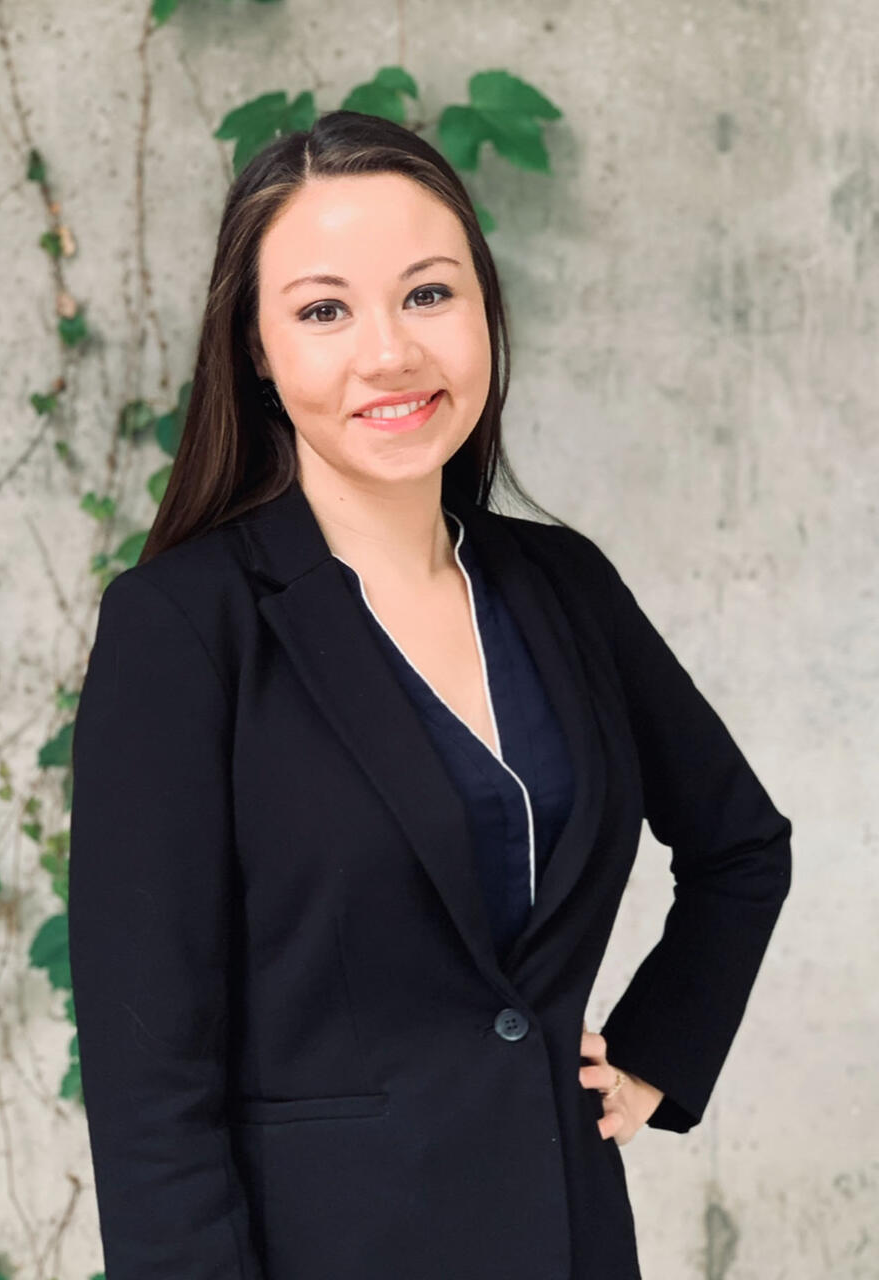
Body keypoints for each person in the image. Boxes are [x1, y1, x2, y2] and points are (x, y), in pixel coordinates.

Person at [68, 109, 792, 1280]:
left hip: (567, 1239)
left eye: (427, 294)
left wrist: (664, 1046)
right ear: (256, 348)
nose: (390, 353)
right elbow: (152, 1091)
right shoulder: (182, 629)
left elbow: (742, 844)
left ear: (482, 310)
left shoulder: (563, 585)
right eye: (323, 309)